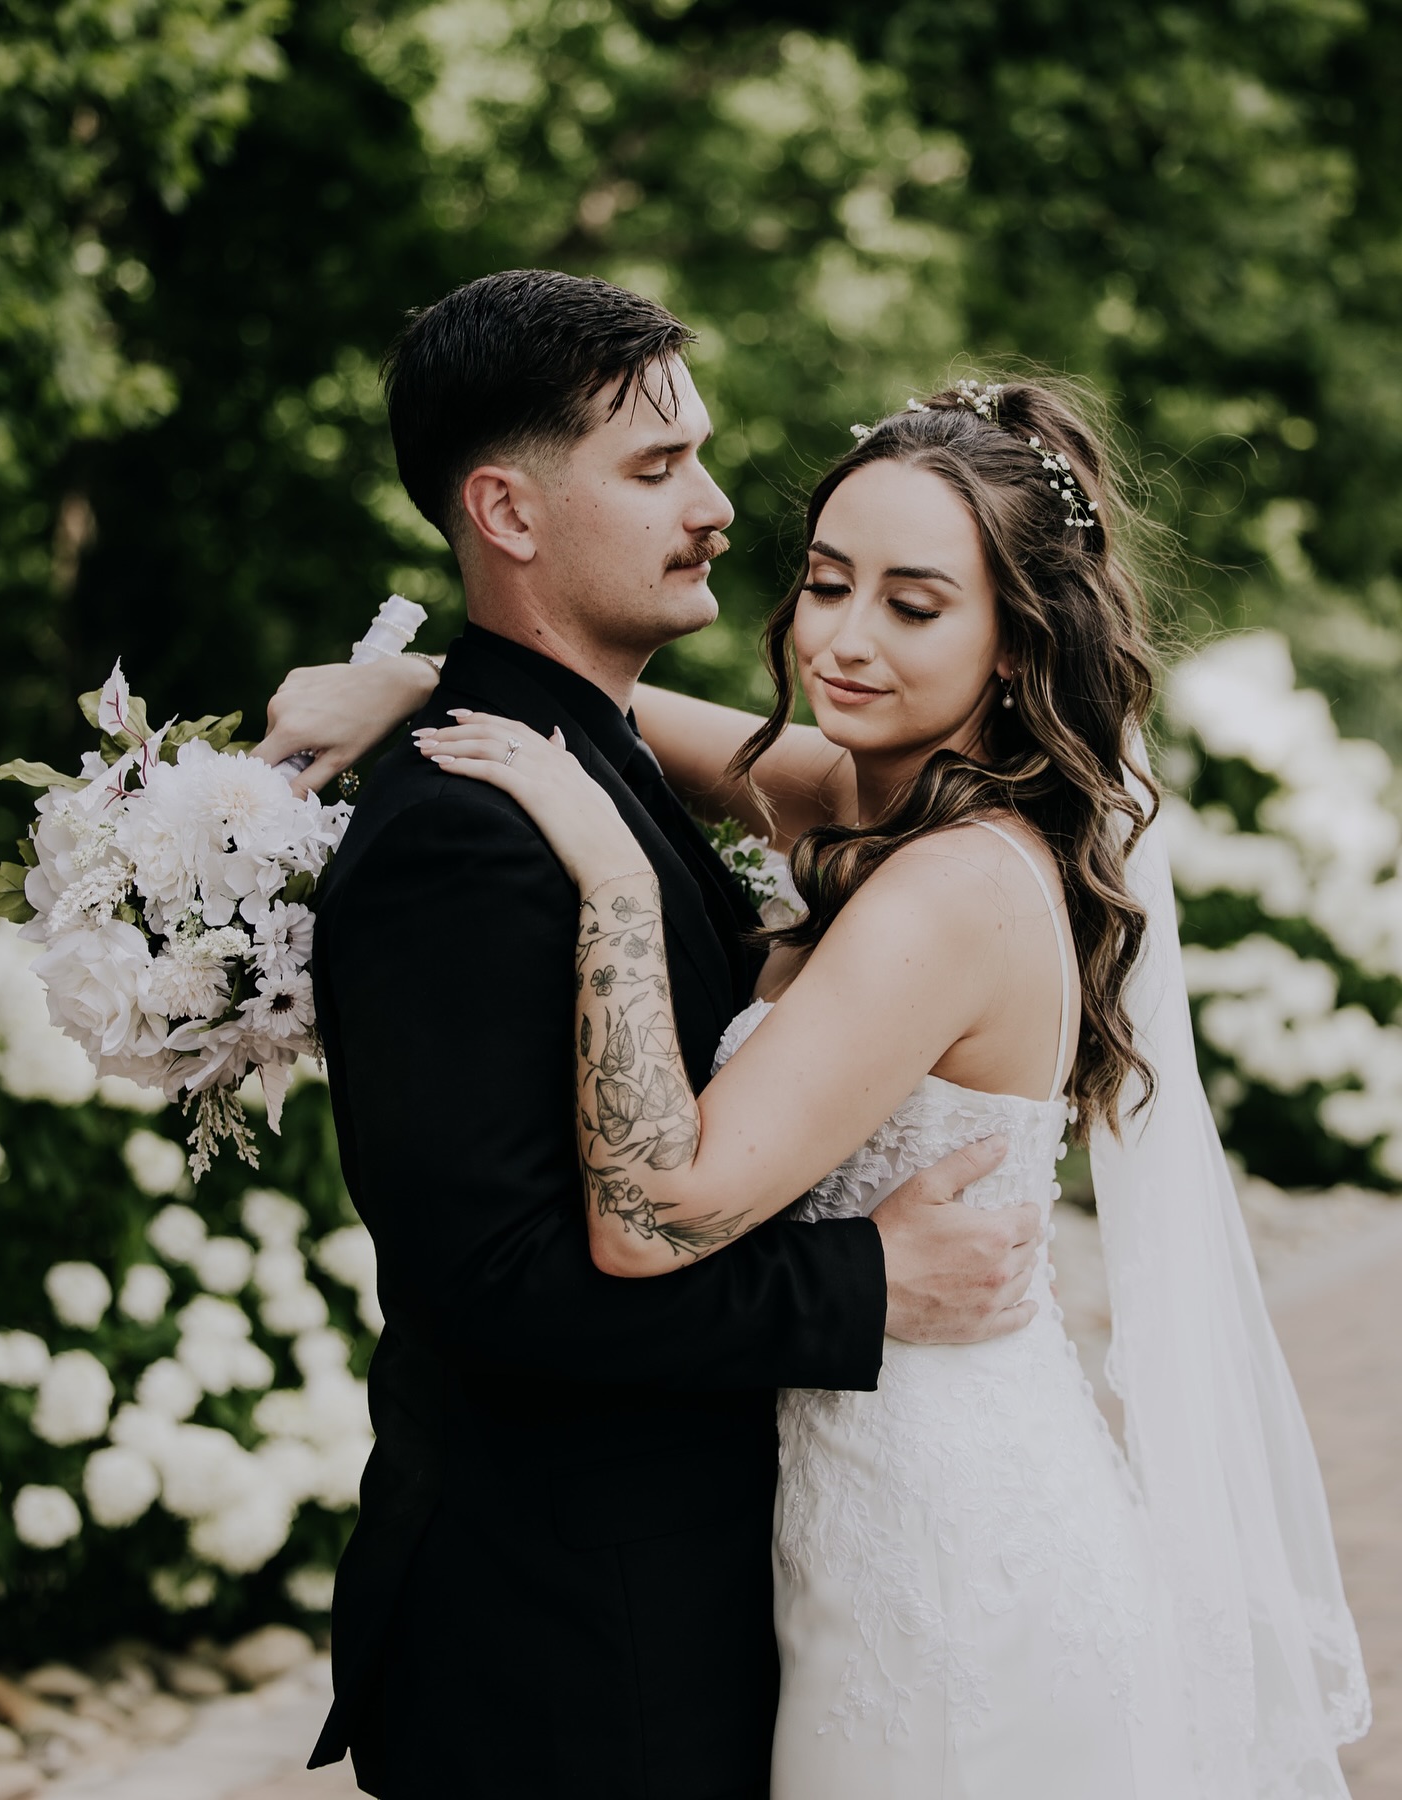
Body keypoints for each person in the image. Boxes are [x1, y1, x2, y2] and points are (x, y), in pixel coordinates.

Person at [278, 366, 1369, 1796]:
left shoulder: (949, 891)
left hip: (935, 1524)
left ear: (1017, 641)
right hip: (836, 1491)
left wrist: (610, 871)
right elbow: (670, 735)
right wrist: (426, 683)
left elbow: (651, 1216)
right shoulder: (881, 795)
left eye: (914, 607)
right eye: (827, 582)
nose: (842, 642)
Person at [255, 272, 1048, 1800]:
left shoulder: (595, 752)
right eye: (658, 467)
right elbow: (494, 1285)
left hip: (694, 1604)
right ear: (510, 510)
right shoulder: (465, 836)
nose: (719, 506)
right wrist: (865, 1277)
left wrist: (419, 675)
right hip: (568, 1651)